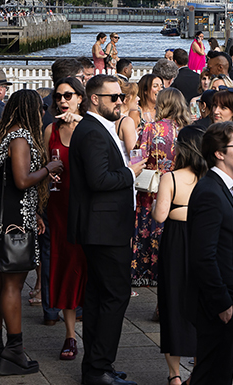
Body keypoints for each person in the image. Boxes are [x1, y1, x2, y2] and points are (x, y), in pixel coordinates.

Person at [0, 90, 63, 375]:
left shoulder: (3, 135)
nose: (42, 114)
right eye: (40, 109)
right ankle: (14, 351)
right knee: (12, 286)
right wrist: (49, 167)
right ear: (30, 110)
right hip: (14, 222)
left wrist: (35, 212)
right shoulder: (21, 138)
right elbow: (22, 180)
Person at [68, 75, 145, 385]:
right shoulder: (92, 131)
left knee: (100, 296)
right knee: (114, 295)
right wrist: (130, 173)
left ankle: (96, 367)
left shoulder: (99, 128)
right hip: (103, 229)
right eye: (113, 97)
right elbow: (99, 180)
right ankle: (99, 367)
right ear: (94, 99)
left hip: (106, 226)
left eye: (121, 97)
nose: (120, 102)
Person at [188, 121, 233, 385]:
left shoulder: (222, 188)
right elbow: (203, 255)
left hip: (227, 297)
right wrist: (222, 302)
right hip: (217, 303)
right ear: (219, 153)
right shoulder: (210, 192)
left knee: (217, 372)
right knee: (212, 374)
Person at [151, 126, 203, 385]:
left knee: (172, 302)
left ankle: (174, 375)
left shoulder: (170, 178)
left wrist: (154, 204)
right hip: (201, 240)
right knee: (201, 304)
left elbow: (160, 216)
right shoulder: (209, 178)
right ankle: (198, 370)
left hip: (175, 241)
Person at [43, 77, 88, 362]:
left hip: (86, 210)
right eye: (58, 96)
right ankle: (70, 335)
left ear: (80, 98)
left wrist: (81, 122)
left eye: (68, 95)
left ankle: (92, 333)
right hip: (58, 209)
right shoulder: (51, 130)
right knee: (65, 268)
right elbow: (40, 166)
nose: (62, 101)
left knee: (87, 268)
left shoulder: (89, 128)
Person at [133, 88, 191, 288]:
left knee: (148, 227)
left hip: (151, 187)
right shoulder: (186, 130)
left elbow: (138, 158)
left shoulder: (150, 128)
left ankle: (145, 272)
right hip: (178, 186)